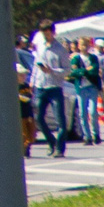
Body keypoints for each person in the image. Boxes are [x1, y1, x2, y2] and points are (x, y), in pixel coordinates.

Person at [29, 22, 70, 158]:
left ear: (53, 32)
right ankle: (51, 141)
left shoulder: (60, 49)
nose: (46, 36)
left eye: (48, 33)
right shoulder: (40, 47)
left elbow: (67, 70)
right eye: (44, 34)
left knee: (60, 120)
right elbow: (36, 65)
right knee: (39, 118)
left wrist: (52, 71)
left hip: (54, 87)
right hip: (40, 86)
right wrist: (32, 81)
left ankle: (60, 148)